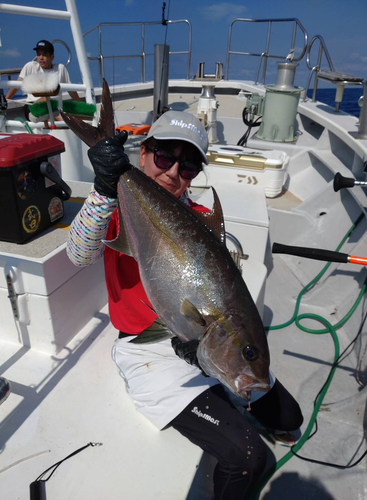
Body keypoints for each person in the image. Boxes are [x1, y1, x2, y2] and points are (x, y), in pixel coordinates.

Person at [67, 110, 303, 499]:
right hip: (148, 352)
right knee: (248, 457)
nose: (174, 171)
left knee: (288, 418)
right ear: (142, 154)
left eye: (189, 164)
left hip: (202, 339)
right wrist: (105, 189)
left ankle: (225, 377)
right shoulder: (118, 207)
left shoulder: (200, 222)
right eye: (164, 157)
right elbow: (78, 254)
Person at [6, 39, 80, 120]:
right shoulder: (30, 66)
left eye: (44, 54)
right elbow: (16, 86)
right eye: (38, 54)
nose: (41, 58)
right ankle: (67, 123)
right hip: (33, 107)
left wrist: (81, 106)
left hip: (55, 109)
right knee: (47, 100)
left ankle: (68, 122)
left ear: (52, 57)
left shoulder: (60, 68)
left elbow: (71, 90)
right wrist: (6, 100)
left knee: (56, 109)